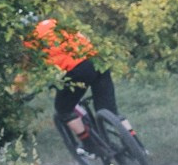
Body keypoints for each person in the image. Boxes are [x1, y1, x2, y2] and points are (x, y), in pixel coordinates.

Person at [24, 15, 130, 143]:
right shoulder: (54, 23)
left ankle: (91, 146)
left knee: (63, 109)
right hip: (98, 61)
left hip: (78, 69)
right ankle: (137, 146)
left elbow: (28, 69)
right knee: (110, 112)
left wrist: (21, 91)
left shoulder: (29, 41)